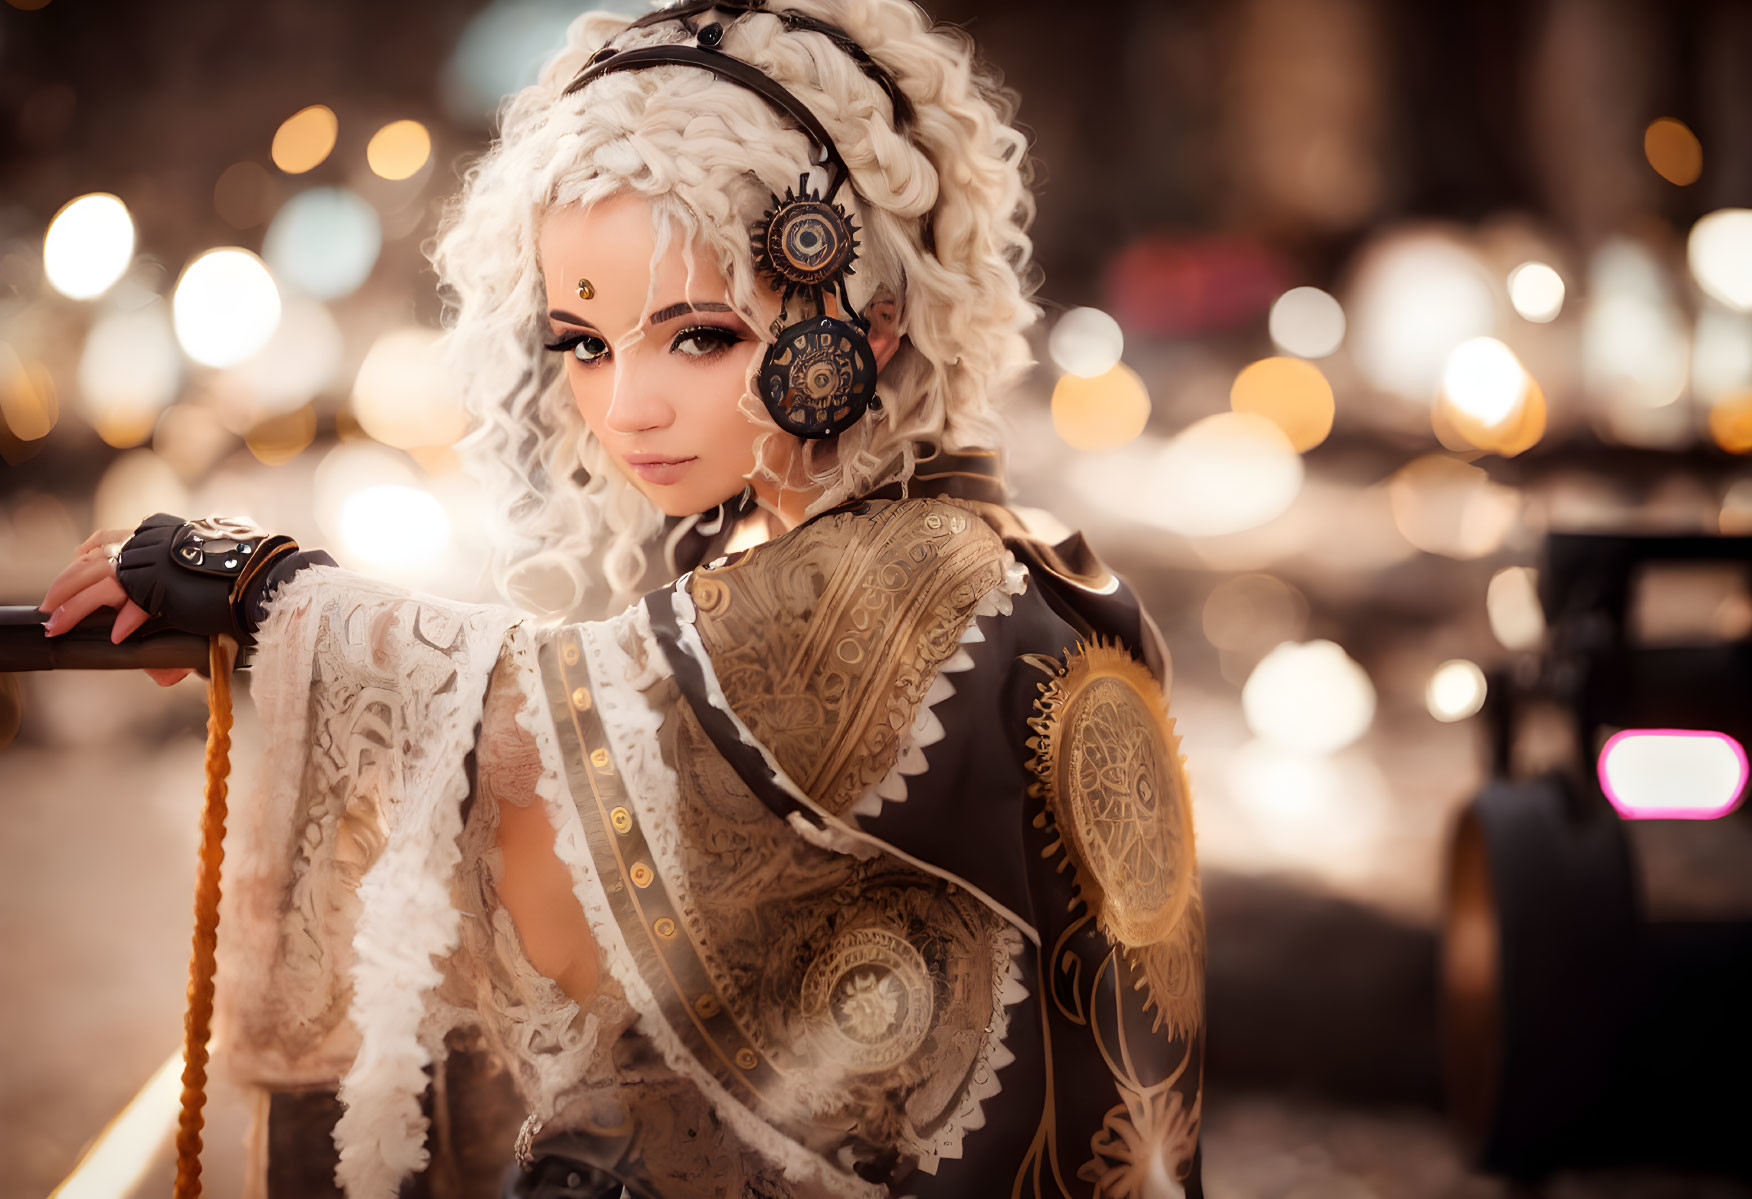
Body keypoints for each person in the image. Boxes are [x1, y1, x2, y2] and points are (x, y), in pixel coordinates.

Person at [41, 1, 1206, 1196]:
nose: (629, 407)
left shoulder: (932, 581)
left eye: (697, 336)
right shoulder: (958, 548)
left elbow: (539, 730)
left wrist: (271, 595)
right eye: (586, 344)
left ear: (872, 317)